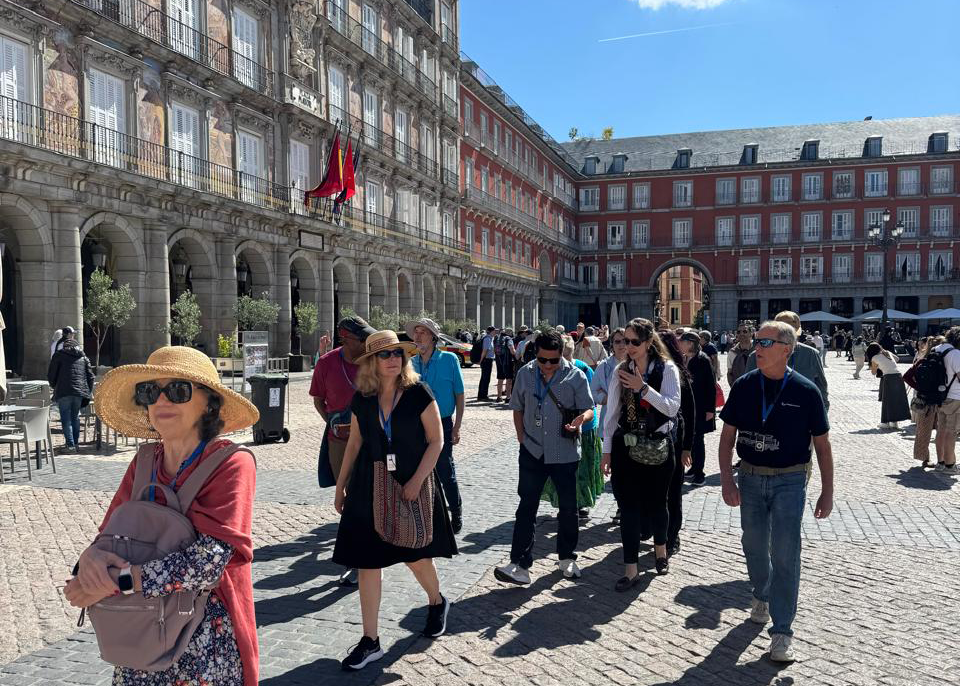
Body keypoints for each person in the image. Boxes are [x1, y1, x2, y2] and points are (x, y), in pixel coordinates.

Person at [67, 346, 261, 685]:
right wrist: (89, 561)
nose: (161, 400)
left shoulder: (232, 463)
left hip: (203, 645)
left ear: (209, 402)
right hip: (140, 641)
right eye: (149, 391)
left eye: (178, 390)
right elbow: (111, 536)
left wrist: (112, 583)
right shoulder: (144, 462)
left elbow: (205, 565)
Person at [333, 330, 457, 670]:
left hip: (409, 483)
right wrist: (340, 485)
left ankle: (436, 601)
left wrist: (417, 481)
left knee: (415, 556)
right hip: (367, 486)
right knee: (367, 562)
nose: (392, 360)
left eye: (397, 354)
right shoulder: (363, 397)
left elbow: (437, 441)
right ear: (372, 361)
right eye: (384, 355)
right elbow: (355, 443)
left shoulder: (418, 393)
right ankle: (370, 640)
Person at [719, 320, 834, 663]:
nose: (757, 348)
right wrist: (727, 478)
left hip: (790, 480)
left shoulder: (805, 391)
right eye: (756, 342)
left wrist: (827, 491)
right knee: (753, 545)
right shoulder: (744, 386)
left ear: (787, 349)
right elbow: (727, 439)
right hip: (751, 478)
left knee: (785, 552)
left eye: (765, 343)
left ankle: (782, 631)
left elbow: (823, 446)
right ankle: (761, 593)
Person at [495, 329, 594, 585]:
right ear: (535, 354)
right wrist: (521, 437)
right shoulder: (526, 374)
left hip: (564, 451)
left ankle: (566, 558)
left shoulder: (575, 375)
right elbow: (517, 407)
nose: (548, 366)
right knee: (526, 507)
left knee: (568, 508)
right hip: (533, 449)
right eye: (543, 360)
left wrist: (581, 419)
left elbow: (589, 408)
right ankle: (519, 564)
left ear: (562, 354)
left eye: (553, 360)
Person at [601, 318, 681, 586]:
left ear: (648, 342)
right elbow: (611, 414)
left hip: (659, 447)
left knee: (658, 504)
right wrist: (606, 451)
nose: (628, 346)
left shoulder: (667, 369)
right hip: (627, 447)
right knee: (629, 508)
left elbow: (671, 408)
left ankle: (660, 550)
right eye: (624, 341)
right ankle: (630, 569)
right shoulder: (620, 370)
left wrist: (643, 389)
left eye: (635, 342)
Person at [311, 316, 376, 586]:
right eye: (362, 340)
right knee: (350, 496)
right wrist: (333, 423)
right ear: (346, 340)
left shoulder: (374, 361)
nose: (366, 344)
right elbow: (317, 400)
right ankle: (356, 558)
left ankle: (373, 546)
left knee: (372, 492)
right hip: (340, 440)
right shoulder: (327, 363)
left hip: (373, 438)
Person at [406, 317, 466, 534]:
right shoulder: (410, 362)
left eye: (423, 332)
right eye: (416, 332)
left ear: (433, 337)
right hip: (416, 424)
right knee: (418, 468)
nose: (418, 336)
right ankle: (425, 513)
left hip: (442, 422)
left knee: (444, 469)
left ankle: (456, 510)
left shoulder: (449, 359)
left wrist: (457, 426)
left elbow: (459, 395)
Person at [542, 335, 603, 520]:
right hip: (559, 427)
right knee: (561, 468)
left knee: (583, 468)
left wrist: (582, 420)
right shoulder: (549, 369)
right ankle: (564, 503)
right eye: (562, 357)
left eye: (567, 356)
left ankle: (582, 503)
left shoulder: (582, 368)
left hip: (584, 427)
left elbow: (590, 401)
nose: (564, 361)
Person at [746, 311, 828, 411]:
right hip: (765, 417)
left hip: (800, 417)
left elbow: (821, 388)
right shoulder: (756, 356)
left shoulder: (811, 354)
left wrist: (821, 414)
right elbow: (746, 389)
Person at [658, 330, 694, 558]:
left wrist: (687, 448)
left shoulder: (678, 374)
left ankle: (672, 536)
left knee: (673, 493)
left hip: (676, 441)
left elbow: (690, 414)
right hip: (654, 443)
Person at [591, 328, 627, 525]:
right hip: (611, 422)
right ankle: (622, 504)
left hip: (634, 424)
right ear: (611, 344)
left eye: (625, 341)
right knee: (616, 467)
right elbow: (593, 390)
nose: (621, 345)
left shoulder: (638, 363)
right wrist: (605, 398)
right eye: (617, 341)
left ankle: (629, 505)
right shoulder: (604, 366)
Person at [47, 329, 94, 453]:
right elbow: (91, 376)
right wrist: (88, 391)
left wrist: (53, 385)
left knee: (66, 418)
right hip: (79, 393)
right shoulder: (83, 357)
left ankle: (70, 445)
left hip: (64, 391)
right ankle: (75, 443)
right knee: (75, 417)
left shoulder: (58, 355)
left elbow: (51, 374)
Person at [679, 330, 717, 486]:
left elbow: (710, 386)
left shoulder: (703, 359)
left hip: (701, 407)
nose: (679, 344)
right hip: (689, 407)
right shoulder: (686, 358)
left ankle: (699, 474)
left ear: (690, 344)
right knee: (691, 438)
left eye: (682, 341)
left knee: (698, 440)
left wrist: (710, 410)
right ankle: (694, 468)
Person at [904, 336, 943, 467]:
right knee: (943, 431)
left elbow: (907, 376)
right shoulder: (943, 362)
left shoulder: (922, 361)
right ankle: (943, 460)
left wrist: (920, 388)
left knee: (923, 431)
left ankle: (925, 458)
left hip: (924, 400)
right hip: (942, 400)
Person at [932, 328, 960, 474]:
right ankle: (950, 465)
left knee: (941, 429)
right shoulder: (955, 354)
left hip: (938, 396)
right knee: (951, 431)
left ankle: (941, 462)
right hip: (955, 397)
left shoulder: (936, 349)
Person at [866, 342, 910, 430]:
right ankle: (895, 423)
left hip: (888, 377)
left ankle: (885, 422)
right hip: (898, 376)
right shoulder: (887, 353)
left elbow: (873, 372)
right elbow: (897, 359)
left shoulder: (874, 357)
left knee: (887, 400)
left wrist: (877, 366)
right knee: (897, 399)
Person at [726, 322, 755, 387]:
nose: (741, 334)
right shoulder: (732, 352)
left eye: (745, 331)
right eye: (739, 332)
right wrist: (733, 387)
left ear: (751, 333)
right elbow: (730, 373)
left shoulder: (758, 349)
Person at [495, 329, 516, 402]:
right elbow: (512, 350)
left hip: (499, 361)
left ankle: (499, 397)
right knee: (509, 379)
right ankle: (508, 397)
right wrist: (516, 355)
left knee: (500, 379)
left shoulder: (497, 339)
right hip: (507, 362)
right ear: (509, 333)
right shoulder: (509, 339)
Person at [477, 327, 496, 401]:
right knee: (485, 378)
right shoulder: (487, 339)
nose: (495, 332)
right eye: (494, 331)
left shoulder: (490, 338)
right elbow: (485, 350)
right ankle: (482, 396)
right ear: (491, 331)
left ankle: (482, 395)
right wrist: (480, 360)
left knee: (485, 378)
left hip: (488, 360)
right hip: (486, 360)